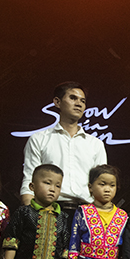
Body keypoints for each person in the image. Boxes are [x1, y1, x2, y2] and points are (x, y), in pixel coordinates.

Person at [20, 82, 107, 214]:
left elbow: (102, 183)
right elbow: (29, 180)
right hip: (49, 209)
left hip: (87, 212)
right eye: (73, 98)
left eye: (82, 101)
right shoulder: (39, 139)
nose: (79, 104)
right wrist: (31, 215)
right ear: (57, 102)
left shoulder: (96, 144)